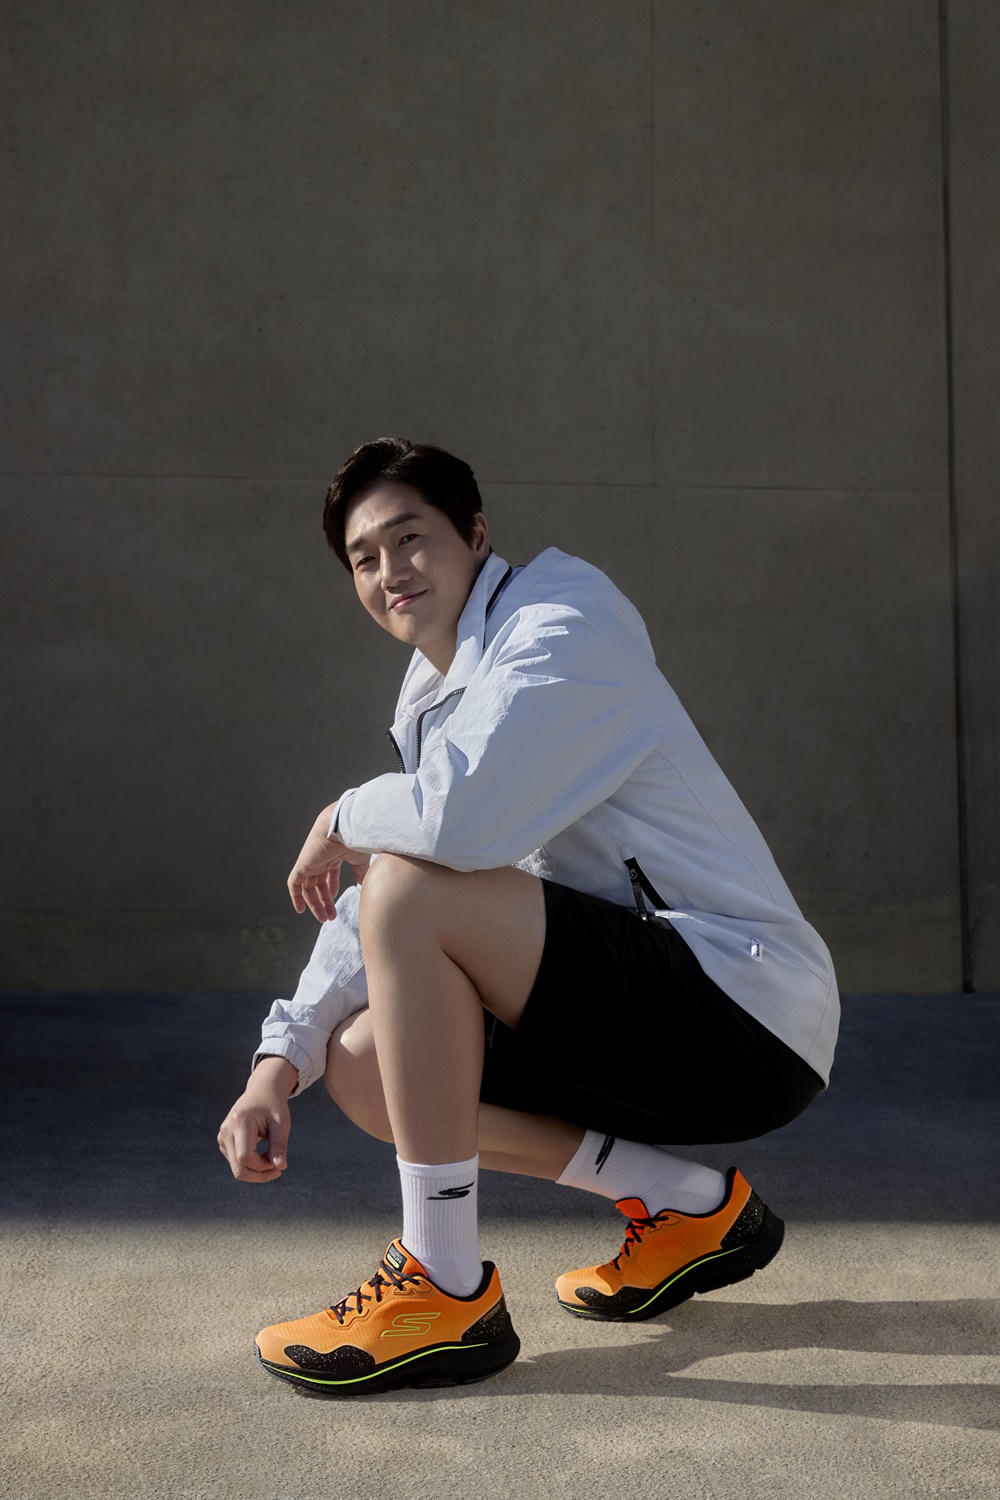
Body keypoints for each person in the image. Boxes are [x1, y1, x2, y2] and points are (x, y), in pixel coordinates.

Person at [217, 437, 840, 1398]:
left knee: (409, 889)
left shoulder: (564, 624)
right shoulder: (434, 694)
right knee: (364, 1062)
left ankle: (444, 1288)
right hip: (635, 1015)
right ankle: (686, 1207)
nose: (390, 571)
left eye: (409, 538)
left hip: (744, 1011)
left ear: (475, 533)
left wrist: (340, 815)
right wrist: (275, 1065)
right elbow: (388, 897)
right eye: (363, 558)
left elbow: (451, 832)